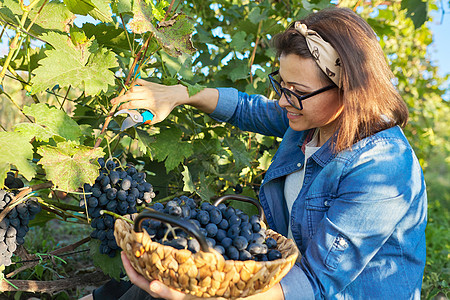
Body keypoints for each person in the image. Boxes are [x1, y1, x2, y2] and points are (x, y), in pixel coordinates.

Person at [87, 6, 427, 300]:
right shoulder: (311, 118)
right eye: (282, 84)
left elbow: (315, 284)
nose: (283, 101)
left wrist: (212, 293)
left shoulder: (382, 169)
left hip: (324, 292)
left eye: (298, 92)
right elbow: (248, 109)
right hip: (286, 278)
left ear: (349, 90)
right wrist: (178, 94)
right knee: (150, 279)